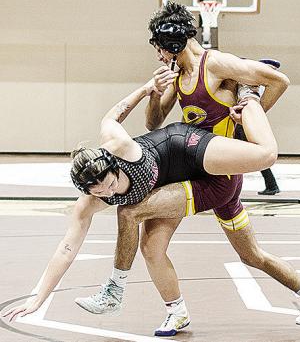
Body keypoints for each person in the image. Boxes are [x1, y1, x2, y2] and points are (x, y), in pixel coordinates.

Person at [73, 2, 300, 336]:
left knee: (132, 214)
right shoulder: (179, 75)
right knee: (244, 254)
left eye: (159, 47)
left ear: (172, 42)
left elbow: (278, 80)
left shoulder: (215, 63)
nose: (157, 55)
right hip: (197, 170)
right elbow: (155, 121)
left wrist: (251, 118)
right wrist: (155, 94)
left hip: (219, 176)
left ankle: (134, 298)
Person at [2, 77, 279, 323]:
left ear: (113, 165)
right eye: (101, 194)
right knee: (152, 250)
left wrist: (146, 90)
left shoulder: (119, 145)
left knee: (260, 156)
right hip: (168, 185)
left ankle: (247, 92)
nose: (109, 194)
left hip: (181, 147)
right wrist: (38, 297)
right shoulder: (88, 202)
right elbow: (66, 248)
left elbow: (114, 115)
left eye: (111, 185)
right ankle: (177, 312)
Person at [235, 123, 280, 195]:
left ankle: (272, 186)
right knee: (258, 160)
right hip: (245, 127)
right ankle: (272, 185)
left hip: (243, 128)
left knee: (258, 160)